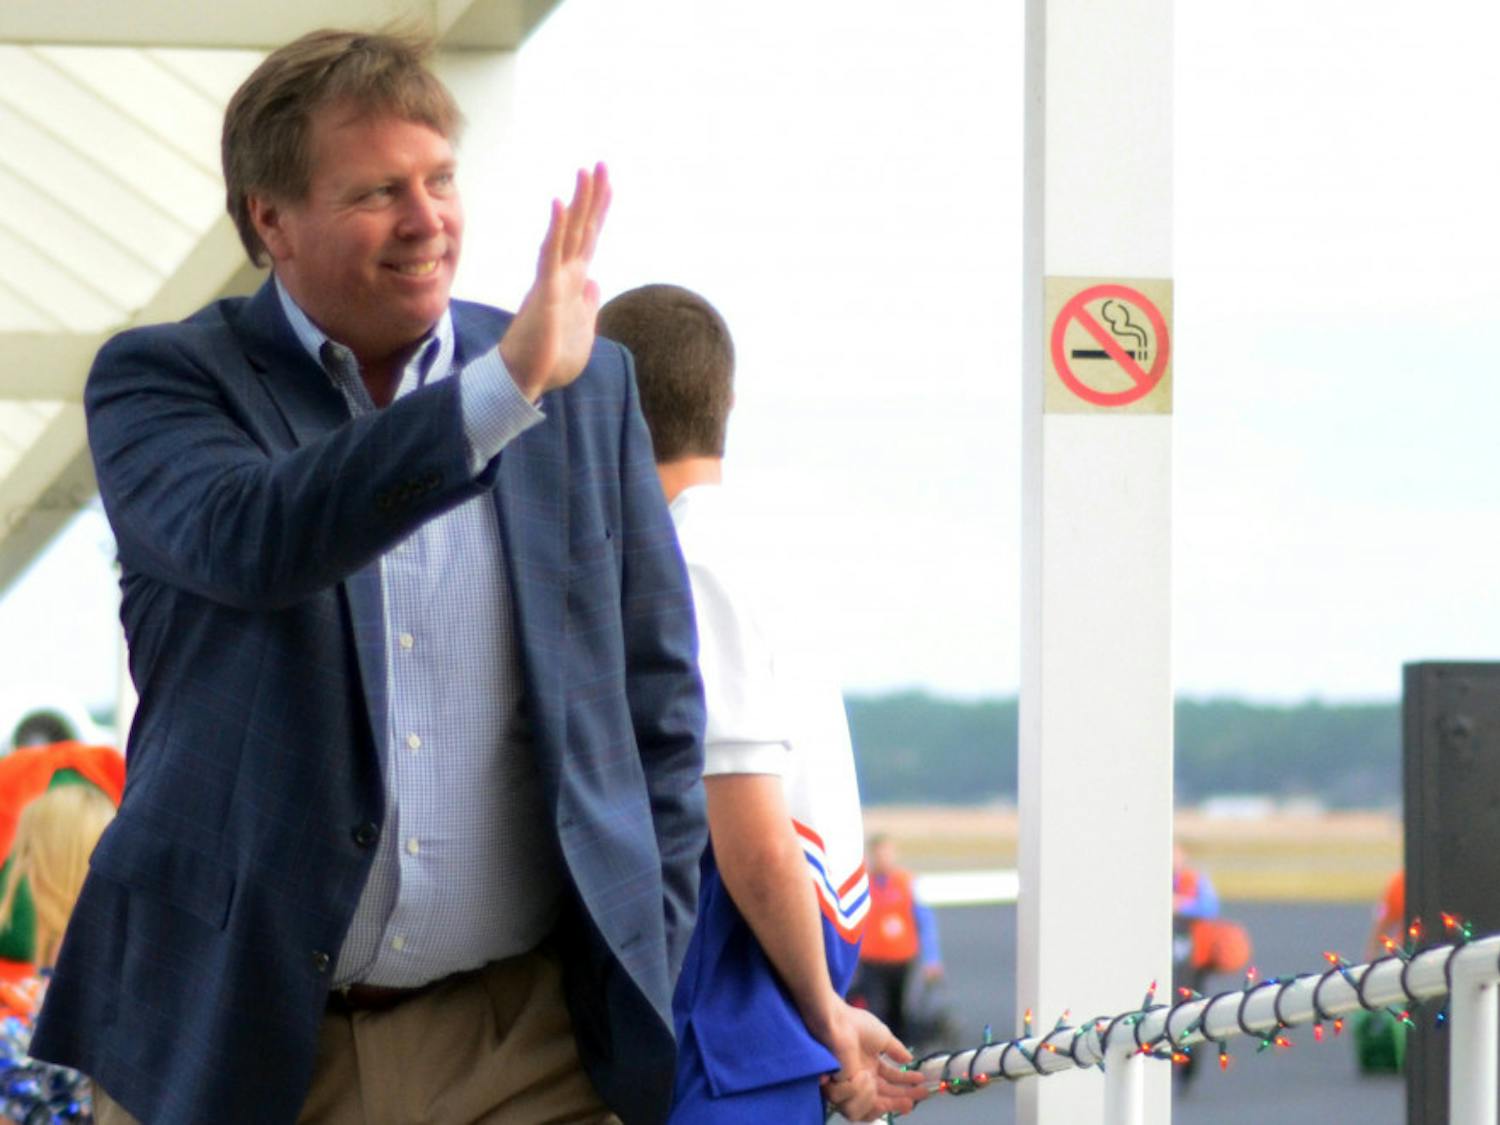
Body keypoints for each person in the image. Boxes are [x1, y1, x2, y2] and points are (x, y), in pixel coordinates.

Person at [32, 29, 707, 1125]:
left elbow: (657, 707)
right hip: (237, 1044)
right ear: (269, 220)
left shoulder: (591, 391)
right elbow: (255, 538)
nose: (427, 218)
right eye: (377, 191)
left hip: (524, 1046)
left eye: (439, 177)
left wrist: (650, 946)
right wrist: (503, 391)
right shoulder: (162, 384)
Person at [597, 285, 925, 1123]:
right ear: (726, 401)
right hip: (762, 1029)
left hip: (726, 1027)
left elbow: (753, 840)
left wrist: (826, 1016)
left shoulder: (687, 564)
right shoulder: (758, 555)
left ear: (603, 401)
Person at [851, 834, 943, 1045]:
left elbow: (926, 922)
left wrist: (932, 959)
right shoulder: (863, 884)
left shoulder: (908, 883)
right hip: (871, 960)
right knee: (875, 1009)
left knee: (899, 1009)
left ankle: (901, 1053)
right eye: (878, 854)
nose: (883, 859)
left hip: (901, 959)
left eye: (887, 853)